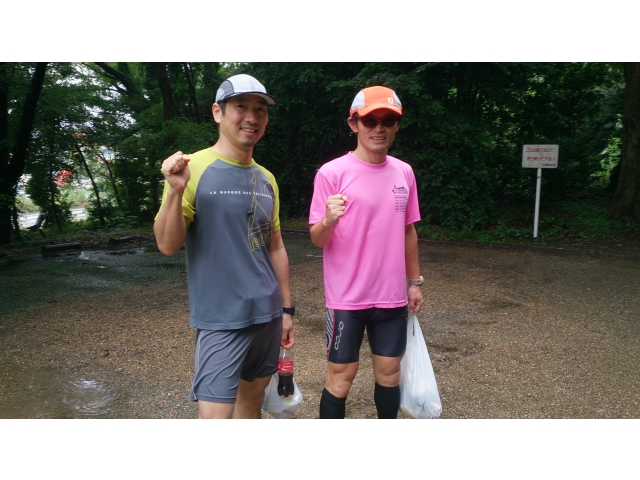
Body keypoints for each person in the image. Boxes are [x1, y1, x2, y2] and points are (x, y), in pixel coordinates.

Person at [154, 74, 295, 419]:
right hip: (220, 319)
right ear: (218, 112)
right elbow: (167, 245)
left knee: (252, 403)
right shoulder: (193, 167)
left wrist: (287, 311)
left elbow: (274, 245)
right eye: (241, 107)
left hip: (268, 314)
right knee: (215, 418)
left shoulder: (266, 178)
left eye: (260, 109)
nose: (252, 117)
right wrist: (174, 190)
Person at [309, 85, 424, 419]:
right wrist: (329, 220)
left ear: (396, 126)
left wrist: (414, 282)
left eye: (387, 120)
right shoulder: (331, 173)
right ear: (353, 123)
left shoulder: (404, 172)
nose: (379, 127)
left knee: (389, 374)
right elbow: (317, 238)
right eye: (370, 119)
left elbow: (408, 230)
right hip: (347, 299)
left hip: (391, 297)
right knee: (341, 378)